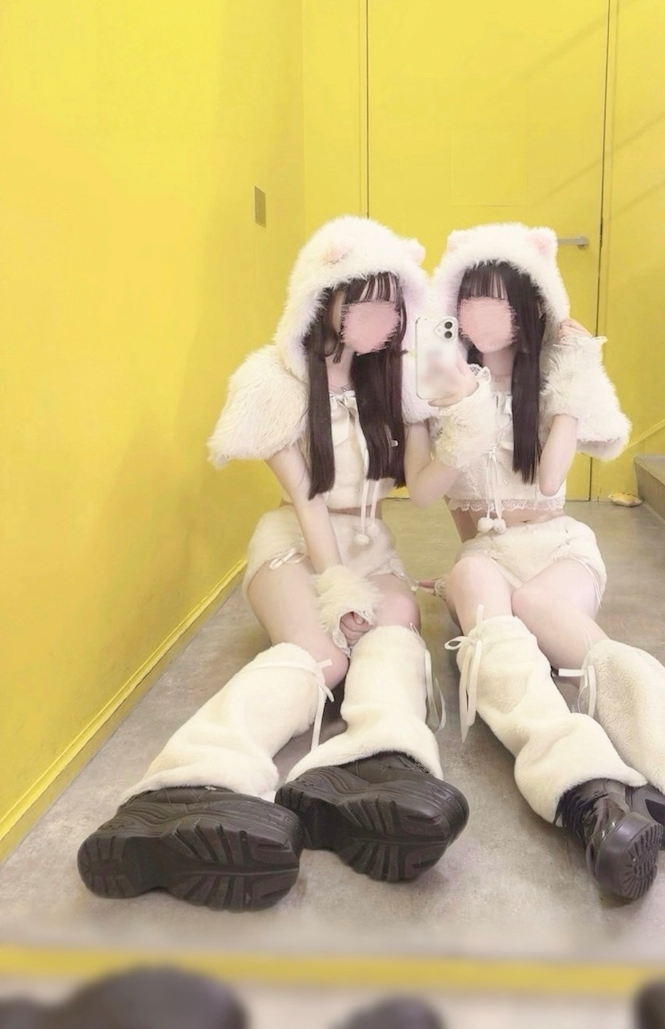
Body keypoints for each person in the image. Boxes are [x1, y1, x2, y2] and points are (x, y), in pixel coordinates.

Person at [405, 222, 665, 907]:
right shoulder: (431, 389)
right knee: (479, 599)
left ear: (530, 306)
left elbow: (548, 481)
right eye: (470, 295)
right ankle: (588, 791)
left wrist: (573, 380)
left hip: (556, 546)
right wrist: (456, 410)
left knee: (541, 609)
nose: (482, 311)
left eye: (500, 297)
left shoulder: (554, 382)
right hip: (483, 553)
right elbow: (423, 493)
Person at [77, 217, 468, 912]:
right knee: (325, 658)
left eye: (392, 304)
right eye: (364, 300)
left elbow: (423, 489)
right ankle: (186, 786)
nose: (380, 318)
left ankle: (375, 763)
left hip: (372, 544)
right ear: (324, 296)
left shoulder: (397, 383)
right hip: (293, 541)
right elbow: (309, 501)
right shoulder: (276, 381)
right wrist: (336, 587)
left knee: (398, 625)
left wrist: (465, 421)